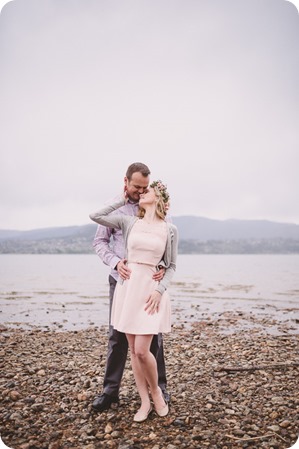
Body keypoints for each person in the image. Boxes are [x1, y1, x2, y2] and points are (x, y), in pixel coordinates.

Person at [89, 178, 178, 421]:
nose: (142, 192)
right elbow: (95, 216)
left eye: (147, 189)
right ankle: (142, 401)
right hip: (126, 284)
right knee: (125, 344)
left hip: (150, 289)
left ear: (159, 197)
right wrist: (122, 197)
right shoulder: (128, 220)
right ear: (127, 182)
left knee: (145, 347)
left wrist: (160, 289)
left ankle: (159, 391)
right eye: (138, 187)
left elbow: (170, 265)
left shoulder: (169, 227)